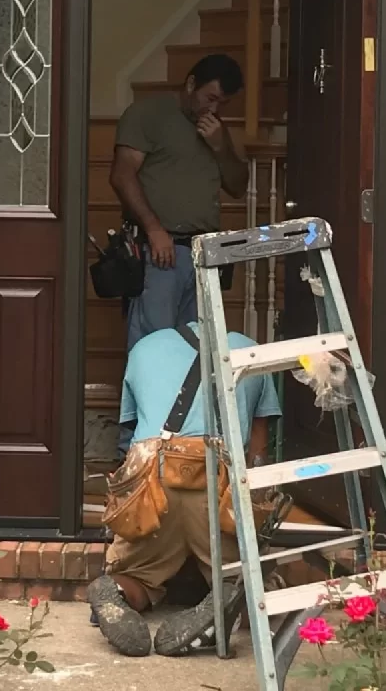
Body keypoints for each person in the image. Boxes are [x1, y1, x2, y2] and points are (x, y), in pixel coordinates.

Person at [87, 324, 282, 658]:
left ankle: (116, 588)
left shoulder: (144, 347)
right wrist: (254, 506)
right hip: (217, 477)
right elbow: (258, 450)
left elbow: (133, 431)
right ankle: (229, 598)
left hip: (152, 480)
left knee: (134, 573)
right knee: (247, 582)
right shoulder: (250, 348)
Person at [110, 53, 248, 351]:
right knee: (155, 348)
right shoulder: (149, 114)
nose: (214, 109)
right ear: (191, 84)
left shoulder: (217, 129)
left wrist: (220, 147)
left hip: (204, 252)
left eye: (223, 103)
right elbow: (122, 176)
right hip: (160, 250)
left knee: (197, 351)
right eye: (210, 98)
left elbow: (238, 187)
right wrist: (154, 229)